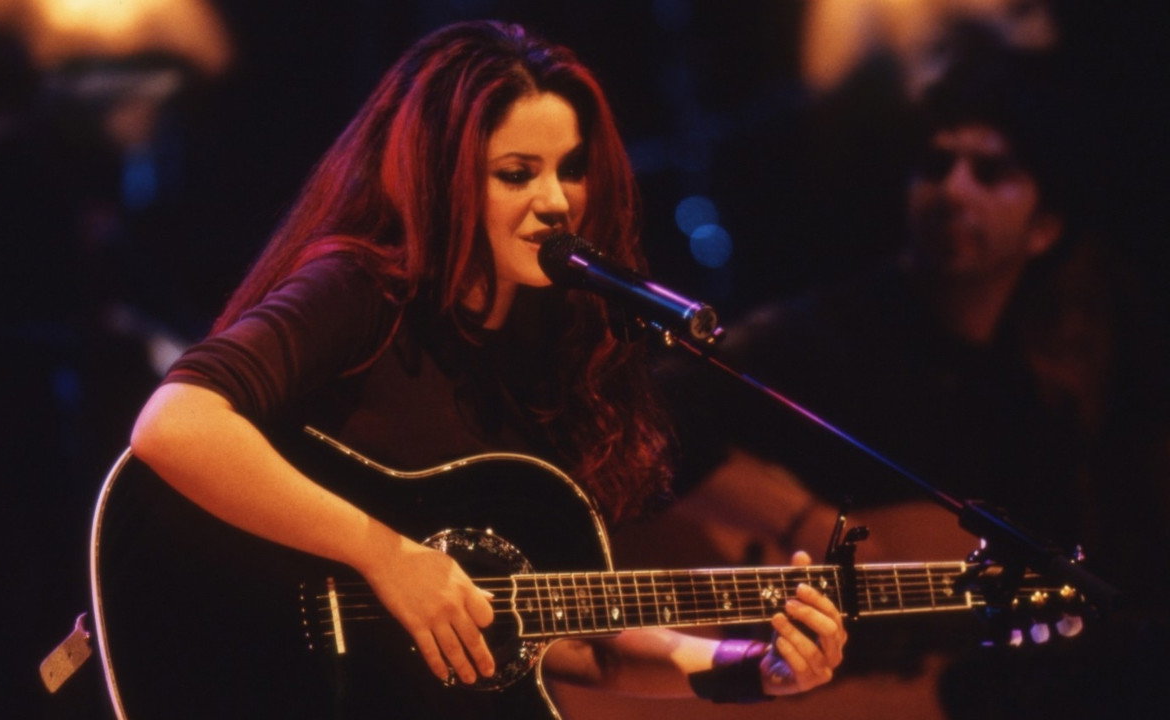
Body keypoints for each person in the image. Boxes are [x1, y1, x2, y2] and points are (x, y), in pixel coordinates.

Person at [126, 20, 846, 718]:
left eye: (571, 170)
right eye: (516, 174)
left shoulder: (556, 353)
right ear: (443, 180)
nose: (556, 202)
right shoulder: (363, 290)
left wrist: (756, 669)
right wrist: (388, 558)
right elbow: (175, 425)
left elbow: (575, 646)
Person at [633, 50, 1169, 720]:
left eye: (990, 172)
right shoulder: (827, 334)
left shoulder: (1034, 398)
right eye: (936, 166)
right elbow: (648, 414)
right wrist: (803, 521)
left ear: (1044, 229)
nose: (953, 190)